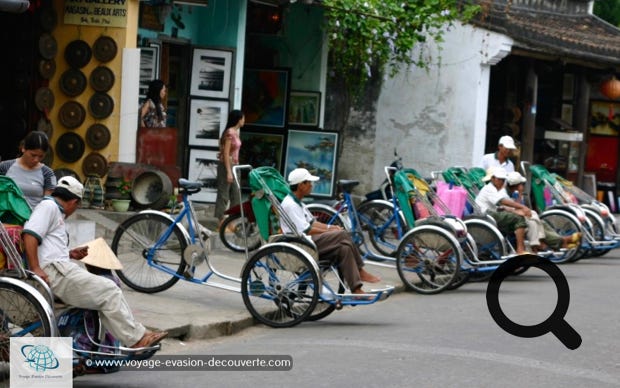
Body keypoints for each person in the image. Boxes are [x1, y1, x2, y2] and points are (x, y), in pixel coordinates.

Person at [22, 176, 168, 349]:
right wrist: (36, 268)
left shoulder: (54, 210)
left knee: (104, 292)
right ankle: (136, 339)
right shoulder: (49, 207)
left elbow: (46, 247)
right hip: (54, 273)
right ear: (74, 202)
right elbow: (29, 235)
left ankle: (133, 336)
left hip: (58, 268)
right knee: (109, 290)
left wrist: (70, 253)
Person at [280, 168, 381, 295]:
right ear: (301, 185)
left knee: (344, 248)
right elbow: (307, 229)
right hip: (301, 244)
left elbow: (312, 223)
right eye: (309, 183)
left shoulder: (298, 203)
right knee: (342, 235)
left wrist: (330, 228)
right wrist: (331, 231)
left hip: (307, 241)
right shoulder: (290, 205)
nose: (311, 185)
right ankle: (360, 270)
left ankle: (356, 289)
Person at [505, 171, 581, 251]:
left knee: (542, 222)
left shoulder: (518, 195)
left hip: (523, 218)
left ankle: (560, 240)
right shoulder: (510, 197)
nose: (523, 187)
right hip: (517, 221)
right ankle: (560, 242)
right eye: (521, 185)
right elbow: (514, 211)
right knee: (535, 222)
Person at [474, 167, 530, 254]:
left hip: (491, 213)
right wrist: (522, 207)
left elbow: (500, 205)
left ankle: (515, 248)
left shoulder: (495, 189)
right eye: (499, 179)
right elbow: (502, 201)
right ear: (492, 178)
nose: (501, 182)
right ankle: (520, 250)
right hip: (485, 215)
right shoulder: (489, 188)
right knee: (518, 218)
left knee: (517, 219)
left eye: (503, 180)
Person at [0, 131, 56, 209]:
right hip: (7, 217)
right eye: (33, 155)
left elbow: (48, 203)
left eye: (41, 156)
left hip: (34, 218)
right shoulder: (5, 167)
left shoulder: (47, 173)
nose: (36, 159)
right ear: (23, 148)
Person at [214, 110, 244, 225]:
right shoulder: (230, 133)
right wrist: (228, 171)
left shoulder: (235, 132)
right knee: (223, 194)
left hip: (235, 165)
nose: (244, 120)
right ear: (238, 119)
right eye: (243, 118)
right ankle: (221, 222)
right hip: (227, 165)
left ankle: (231, 221)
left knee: (236, 194)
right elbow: (226, 153)